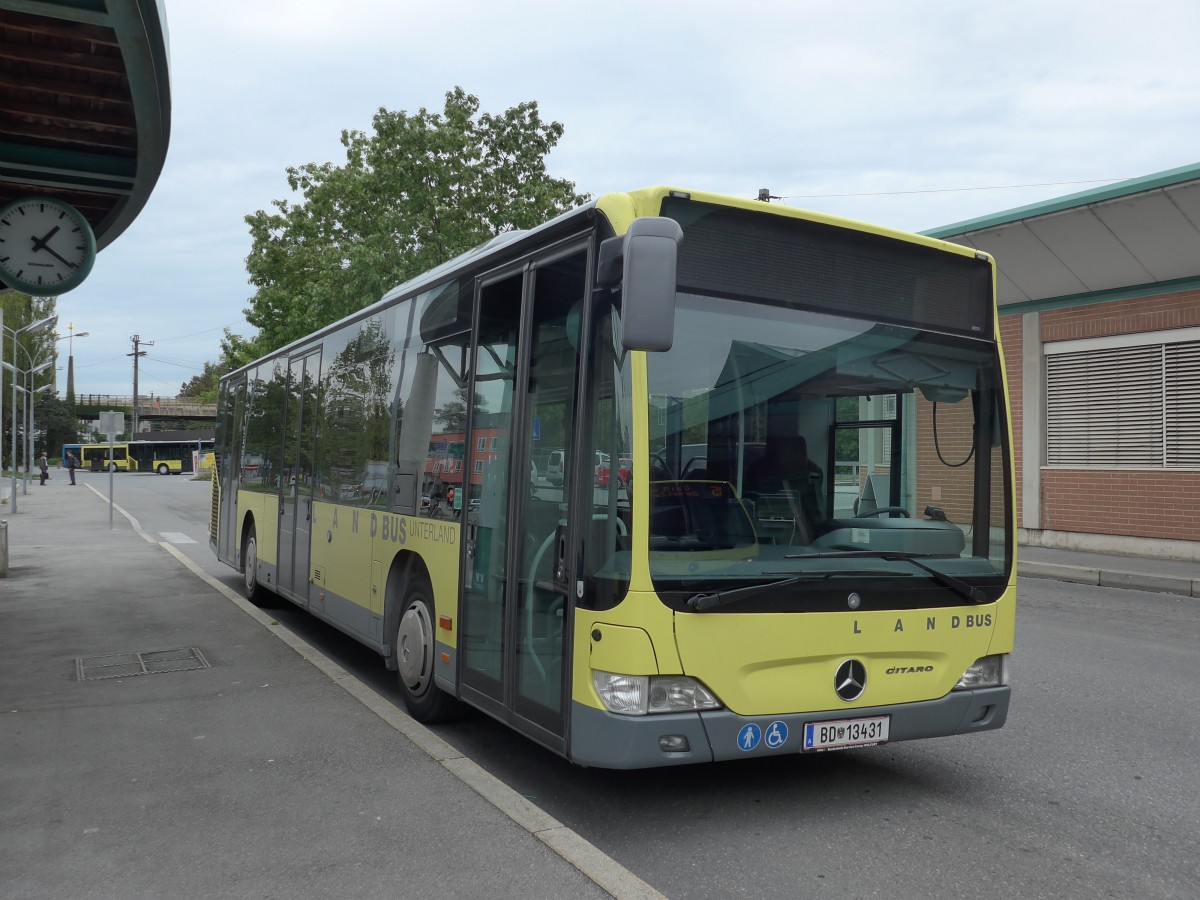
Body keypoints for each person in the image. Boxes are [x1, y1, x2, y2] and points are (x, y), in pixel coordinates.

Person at [744, 434, 824, 541]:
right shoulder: (758, 469)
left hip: (800, 531)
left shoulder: (812, 472)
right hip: (761, 528)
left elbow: (815, 509)